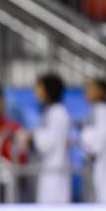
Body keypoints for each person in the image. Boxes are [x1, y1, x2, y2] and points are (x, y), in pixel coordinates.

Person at [23, 73, 71, 203]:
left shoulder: (57, 113)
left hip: (55, 173)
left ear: (48, 89)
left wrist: (31, 137)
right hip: (50, 171)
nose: (35, 90)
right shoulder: (51, 112)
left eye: (39, 86)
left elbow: (47, 143)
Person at [80, 77, 106, 203]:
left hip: (103, 163)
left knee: (105, 194)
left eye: (91, 88)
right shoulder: (96, 111)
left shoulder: (103, 111)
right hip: (97, 163)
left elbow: (98, 140)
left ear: (101, 91)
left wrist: (83, 137)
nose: (86, 91)